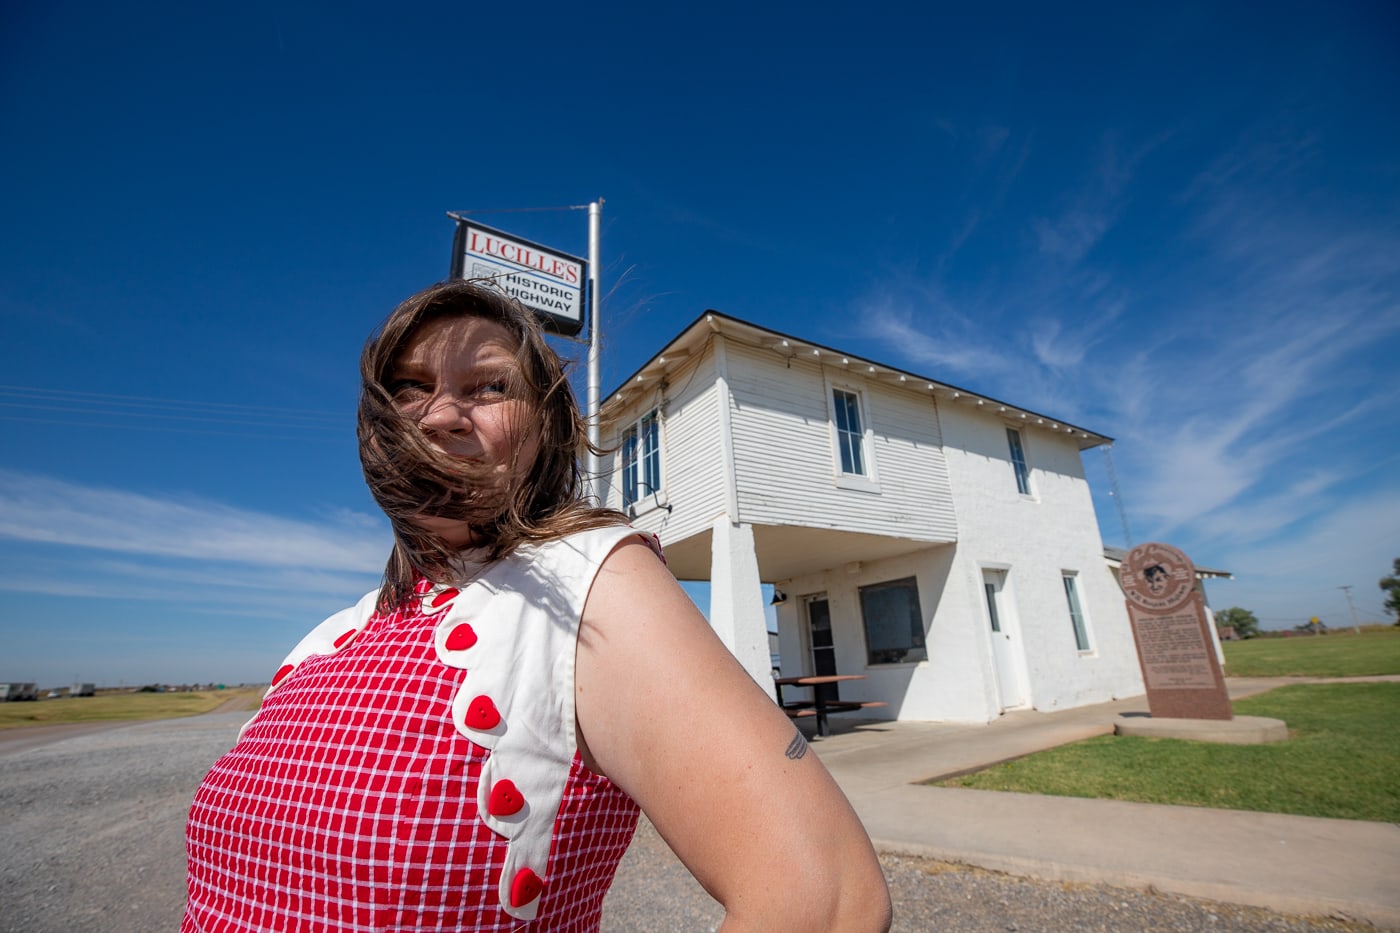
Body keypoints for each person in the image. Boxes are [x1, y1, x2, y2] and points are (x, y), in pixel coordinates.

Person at [183, 280, 891, 932]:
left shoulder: (586, 579)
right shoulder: (329, 637)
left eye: (489, 385)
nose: (442, 415)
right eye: (410, 386)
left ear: (546, 426)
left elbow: (824, 893)